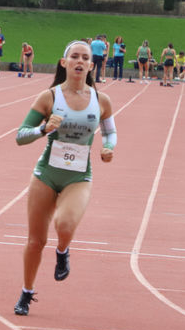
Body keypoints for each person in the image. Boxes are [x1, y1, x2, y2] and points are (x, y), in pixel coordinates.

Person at [12, 40, 116, 316]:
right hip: (46, 174)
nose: (80, 61)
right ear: (64, 62)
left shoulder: (101, 100)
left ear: (91, 65)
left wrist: (109, 148)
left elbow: (110, 132)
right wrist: (43, 129)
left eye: (85, 57)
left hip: (79, 176)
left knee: (65, 224)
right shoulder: (49, 97)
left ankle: (63, 251)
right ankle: (27, 291)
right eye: (75, 56)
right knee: (35, 241)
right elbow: (20, 135)